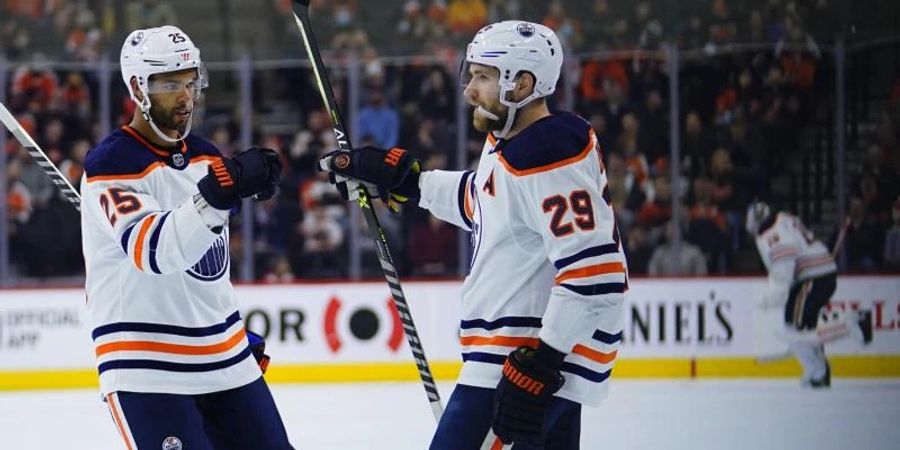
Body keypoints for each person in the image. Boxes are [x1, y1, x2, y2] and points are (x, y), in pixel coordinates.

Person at [320, 21, 626, 449]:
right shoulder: (513, 142)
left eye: (482, 76)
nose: (468, 89)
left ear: (522, 83)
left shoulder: (548, 151)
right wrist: (414, 184)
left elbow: (597, 273)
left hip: (520, 359)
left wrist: (542, 360)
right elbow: (485, 204)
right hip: (527, 356)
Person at [80, 26, 294, 449]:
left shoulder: (206, 155)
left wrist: (225, 330)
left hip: (223, 357)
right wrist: (217, 195)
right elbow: (155, 251)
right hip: (147, 364)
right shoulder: (111, 163)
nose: (186, 96)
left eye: (191, 81)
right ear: (138, 87)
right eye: (170, 84)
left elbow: (207, 269)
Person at [746, 201, 872, 388]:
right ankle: (817, 372)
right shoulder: (783, 218)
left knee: (795, 330)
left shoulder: (773, 237)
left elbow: (784, 272)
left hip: (813, 278)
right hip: (818, 274)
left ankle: (851, 324)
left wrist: (766, 300)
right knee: (798, 326)